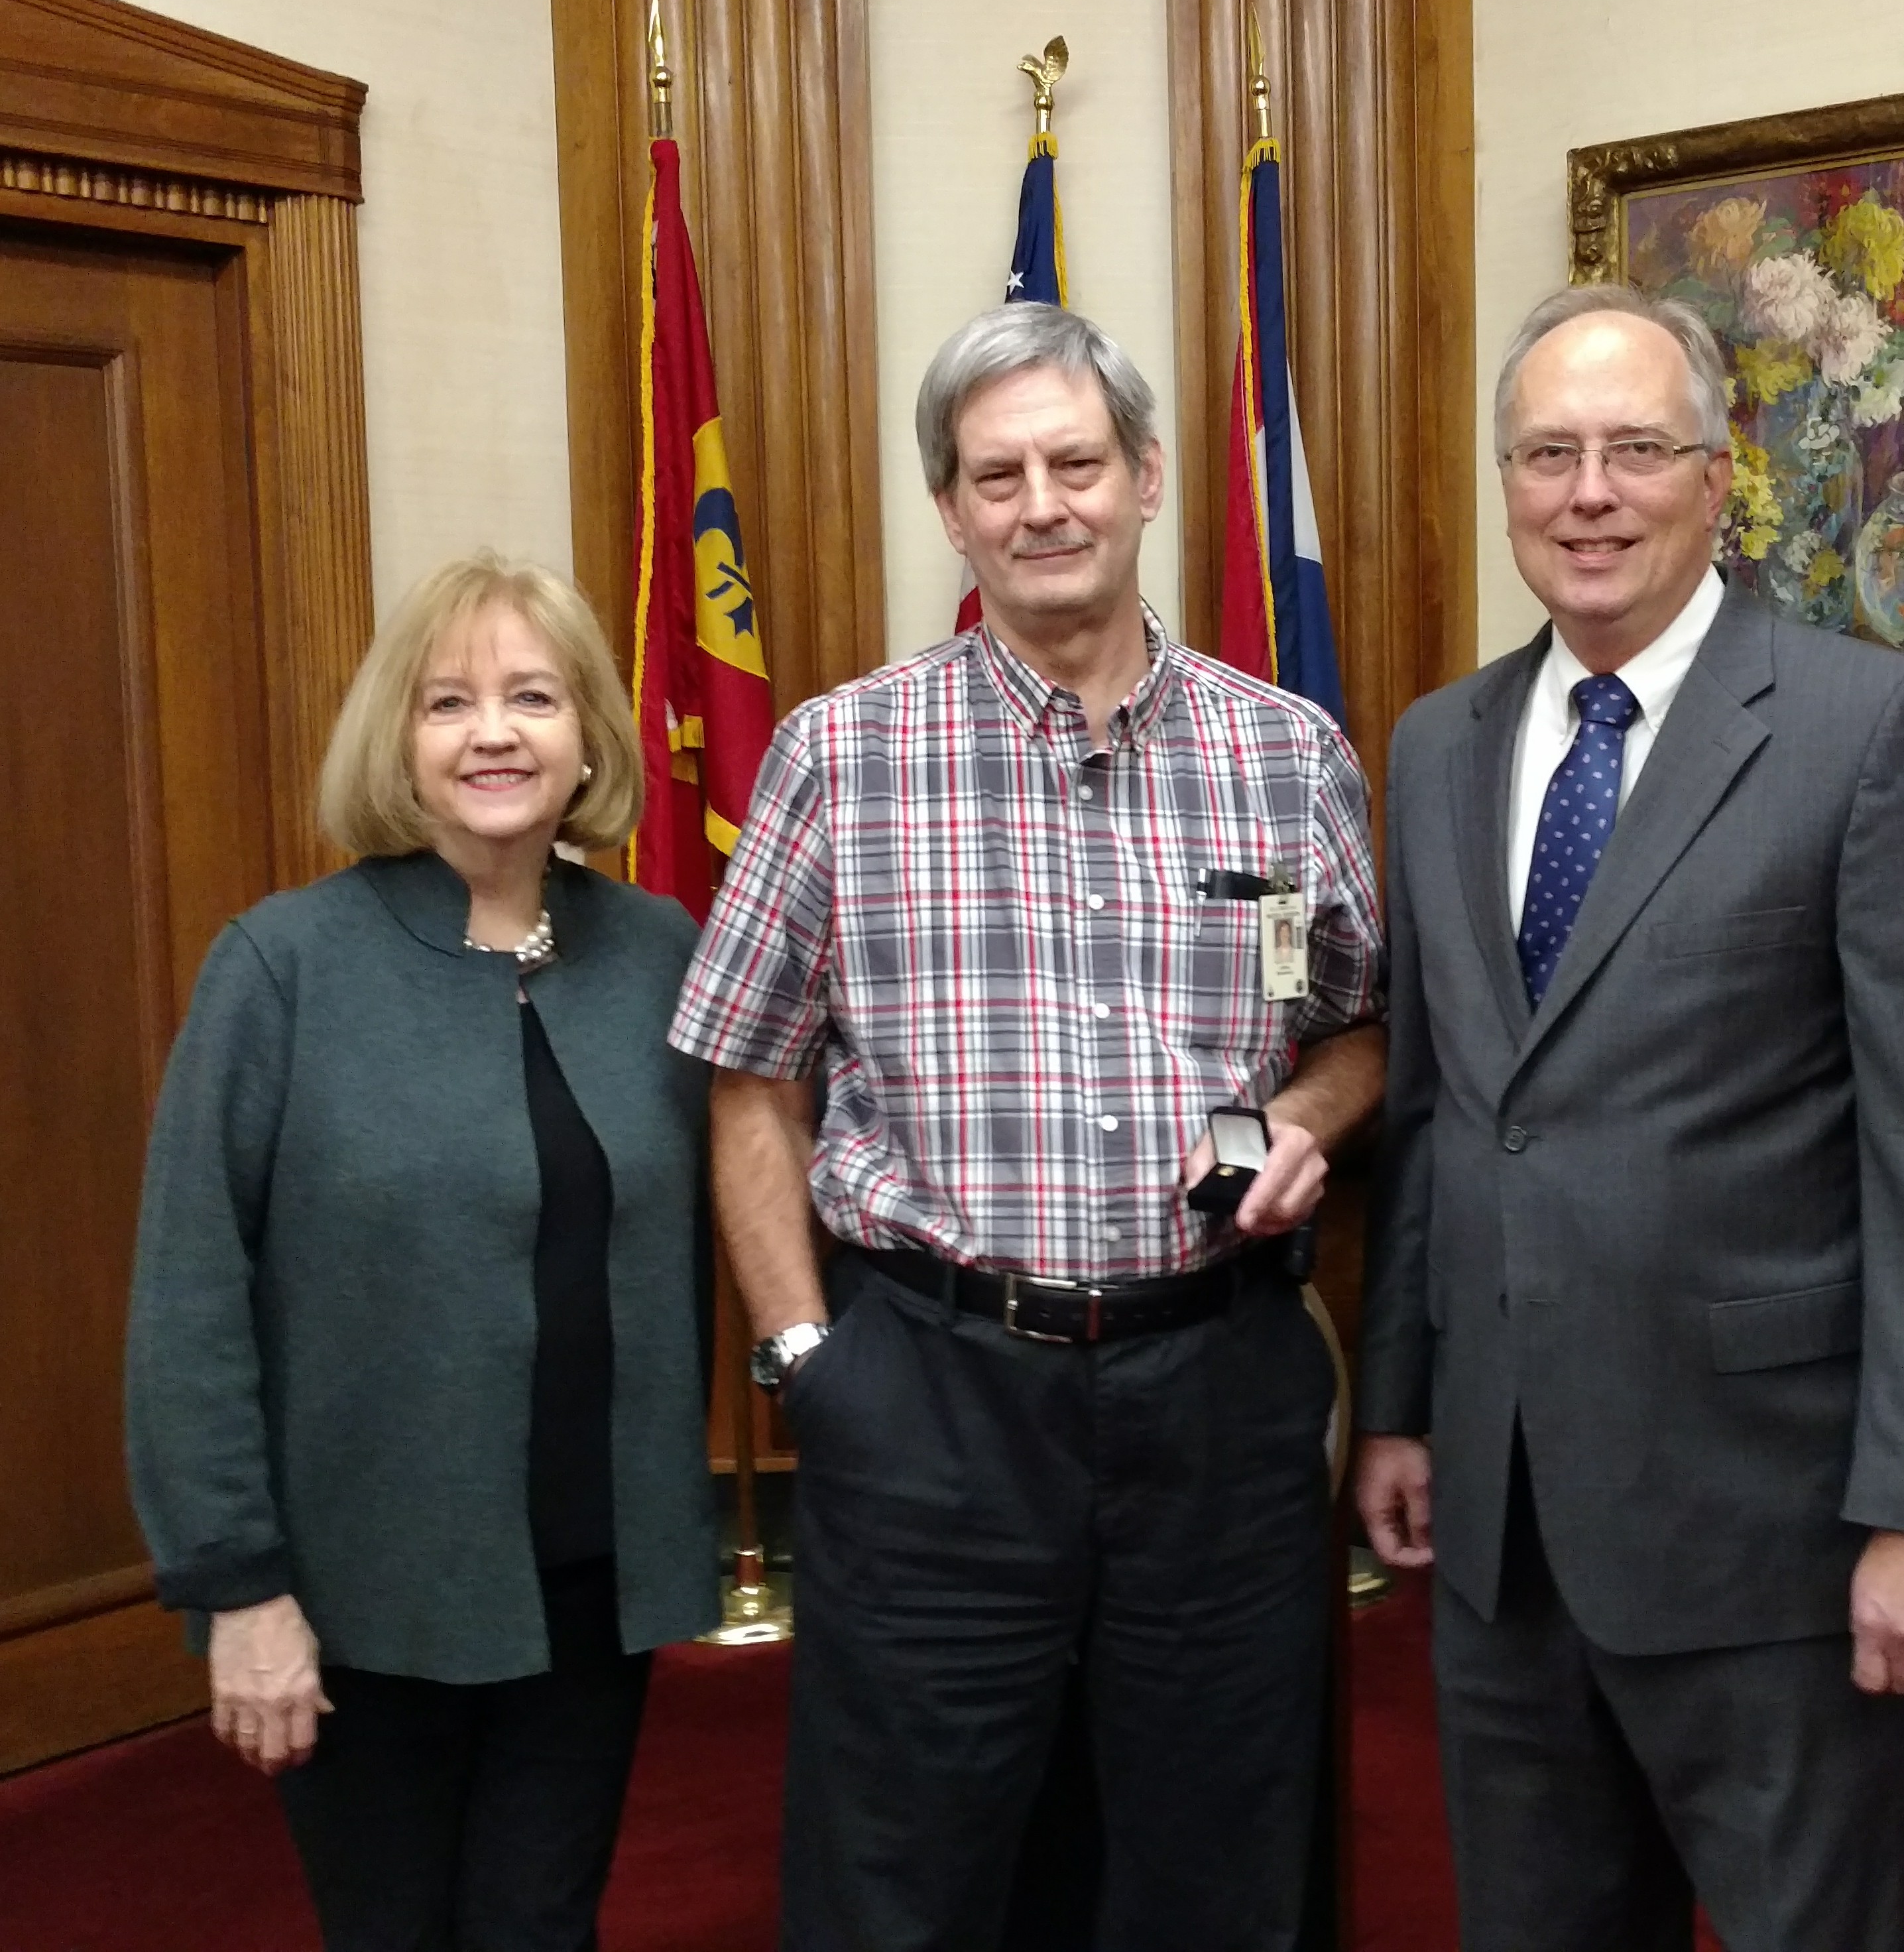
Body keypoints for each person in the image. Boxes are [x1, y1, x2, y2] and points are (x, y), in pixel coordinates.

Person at [670, 301, 1386, 1952]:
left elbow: (1361, 1031)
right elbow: (750, 1083)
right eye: (995, 475)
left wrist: (1299, 1115)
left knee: (1219, 1866)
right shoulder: (839, 755)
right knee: (901, 1876)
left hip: (1211, 1394)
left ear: (1145, 479)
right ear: (949, 512)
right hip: (929, 1395)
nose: (1040, 502)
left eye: (1076, 462)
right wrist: (803, 1366)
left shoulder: (1285, 758)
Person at [1354, 283, 1904, 1952]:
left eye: (1633, 450)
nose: (1586, 492)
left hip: (1775, 1539)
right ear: (1508, 481)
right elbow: (1444, 1102)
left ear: (1715, 474)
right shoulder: (1438, 744)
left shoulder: (1862, 730)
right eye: (1546, 453)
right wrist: (1395, 1405)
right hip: (1501, 1530)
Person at [127, 553, 719, 1952]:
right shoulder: (281, 966)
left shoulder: (659, 953)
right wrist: (239, 1589)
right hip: (362, 1594)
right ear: (399, 737)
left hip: (591, 1583)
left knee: (539, 1926)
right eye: (448, 702)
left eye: (532, 696)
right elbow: (188, 1297)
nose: (493, 733)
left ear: (589, 735)